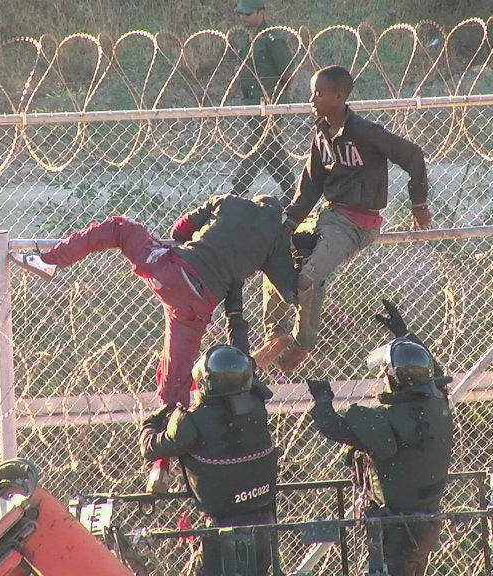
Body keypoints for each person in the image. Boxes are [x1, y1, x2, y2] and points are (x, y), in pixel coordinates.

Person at [11, 194, 297, 491]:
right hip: (199, 306)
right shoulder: (274, 239)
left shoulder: (230, 201)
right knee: (175, 382)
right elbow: (289, 288)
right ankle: (160, 466)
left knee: (122, 227)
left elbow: (179, 230)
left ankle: (49, 261)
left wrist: (198, 239)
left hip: (174, 273)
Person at [255, 65, 432, 372]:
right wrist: (290, 222)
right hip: (328, 215)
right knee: (272, 252)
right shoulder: (321, 133)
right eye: (312, 92)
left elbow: (413, 156)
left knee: (308, 278)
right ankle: (276, 334)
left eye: (319, 93)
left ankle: (303, 343)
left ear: (339, 96)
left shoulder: (365, 133)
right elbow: (311, 183)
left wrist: (418, 202)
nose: (312, 98)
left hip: (356, 223)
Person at [304, 299, 453, 576]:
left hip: (399, 530)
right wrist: (404, 335)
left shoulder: (387, 421)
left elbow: (331, 426)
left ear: (392, 379)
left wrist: (322, 398)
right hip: (427, 524)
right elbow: (436, 371)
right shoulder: (439, 404)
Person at [140, 345, 278, 576]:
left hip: (223, 523)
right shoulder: (256, 406)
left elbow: (149, 448)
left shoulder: (192, 421)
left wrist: (153, 421)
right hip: (264, 516)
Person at [232, 0, 297, 203]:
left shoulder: (272, 39)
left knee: (257, 144)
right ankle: (291, 190)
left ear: (261, 13)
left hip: (269, 102)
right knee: (270, 148)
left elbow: (288, 72)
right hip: (251, 101)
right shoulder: (244, 38)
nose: (244, 18)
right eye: (242, 14)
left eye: (248, 14)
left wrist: (276, 96)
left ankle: (238, 190)